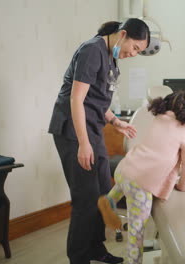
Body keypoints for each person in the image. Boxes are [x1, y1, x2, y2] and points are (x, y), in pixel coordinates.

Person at [48, 19, 150, 264]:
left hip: (92, 129)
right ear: (123, 34)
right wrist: (83, 143)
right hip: (73, 131)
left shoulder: (112, 59)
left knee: (104, 193)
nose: (134, 54)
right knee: (85, 198)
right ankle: (79, 257)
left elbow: (97, 101)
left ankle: (95, 249)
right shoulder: (92, 50)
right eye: (135, 48)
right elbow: (77, 99)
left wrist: (115, 121)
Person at [97, 91, 185, 264]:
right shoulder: (184, 129)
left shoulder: (159, 118)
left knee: (125, 182)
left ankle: (109, 201)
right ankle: (133, 262)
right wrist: (184, 186)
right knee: (137, 231)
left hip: (125, 168)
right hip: (140, 183)